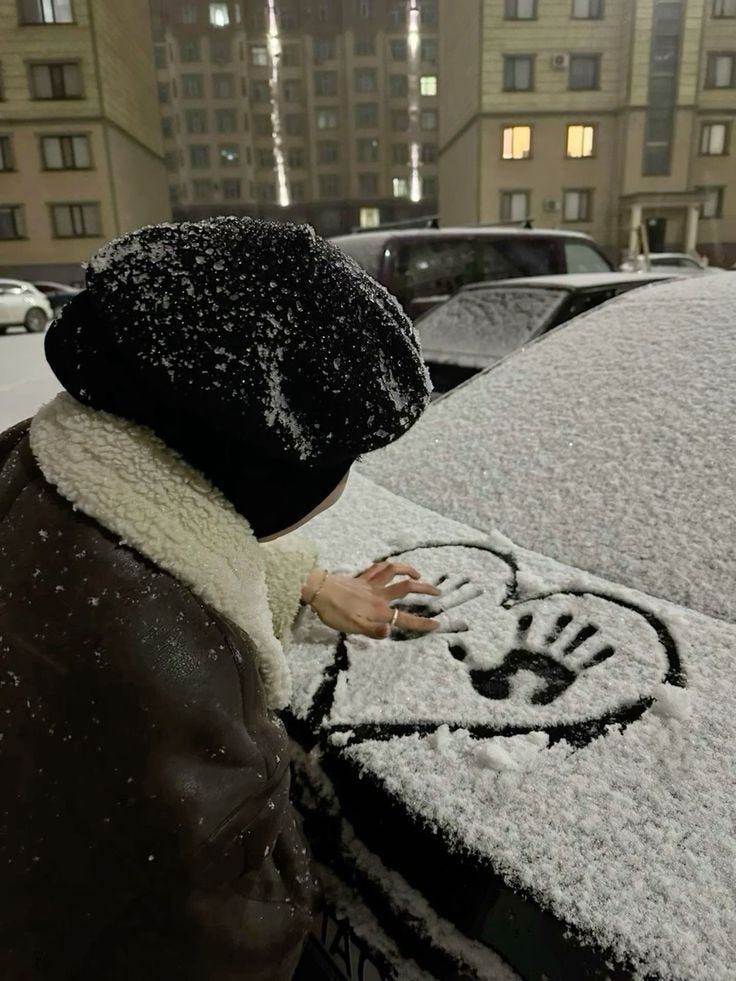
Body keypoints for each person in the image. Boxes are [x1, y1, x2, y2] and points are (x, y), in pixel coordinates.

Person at [0, 217, 440, 980]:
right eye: (345, 456)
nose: (346, 481)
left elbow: (150, 535)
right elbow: (228, 935)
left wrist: (296, 579)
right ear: (268, 468)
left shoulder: (26, 468)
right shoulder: (174, 674)